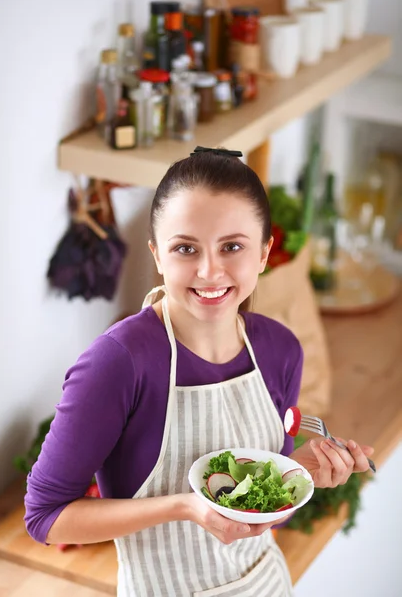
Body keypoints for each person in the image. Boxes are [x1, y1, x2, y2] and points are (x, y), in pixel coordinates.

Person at [25, 147, 374, 596]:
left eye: (232, 246)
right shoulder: (118, 362)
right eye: (186, 248)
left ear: (265, 253)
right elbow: (45, 518)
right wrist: (183, 507)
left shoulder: (280, 350)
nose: (210, 272)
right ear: (157, 255)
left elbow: (259, 514)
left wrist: (297, 474)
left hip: (266, 585)